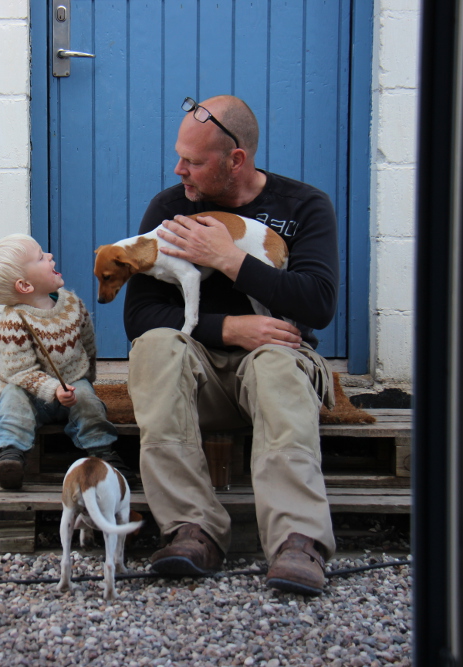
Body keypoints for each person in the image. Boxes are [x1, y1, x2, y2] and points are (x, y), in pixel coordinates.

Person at [124, 95, 338, 595]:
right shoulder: (170, 208)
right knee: (155, 347)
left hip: (276, 365)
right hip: (201, 379)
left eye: (194, 162)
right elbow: (140, 316)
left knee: (275, 366)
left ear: (235, 160)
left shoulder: (304, 206)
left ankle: (297, 542)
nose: (180, 170)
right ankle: (191, 529)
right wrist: (230, 328)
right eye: (180, 157)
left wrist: (230, 259)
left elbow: (319, 303)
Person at [0, 234, 132, 490]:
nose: (49, 256)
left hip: (72, 386)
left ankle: (102, 453)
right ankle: (11, 455)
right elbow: (21, 371)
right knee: (12, 399)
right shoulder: (13, 323)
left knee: (89, 402)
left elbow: (88, 344)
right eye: (40, 257)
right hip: (31, 393)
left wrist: (87, 380)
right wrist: (52, 390)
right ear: (25, 286)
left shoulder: (72, 305)